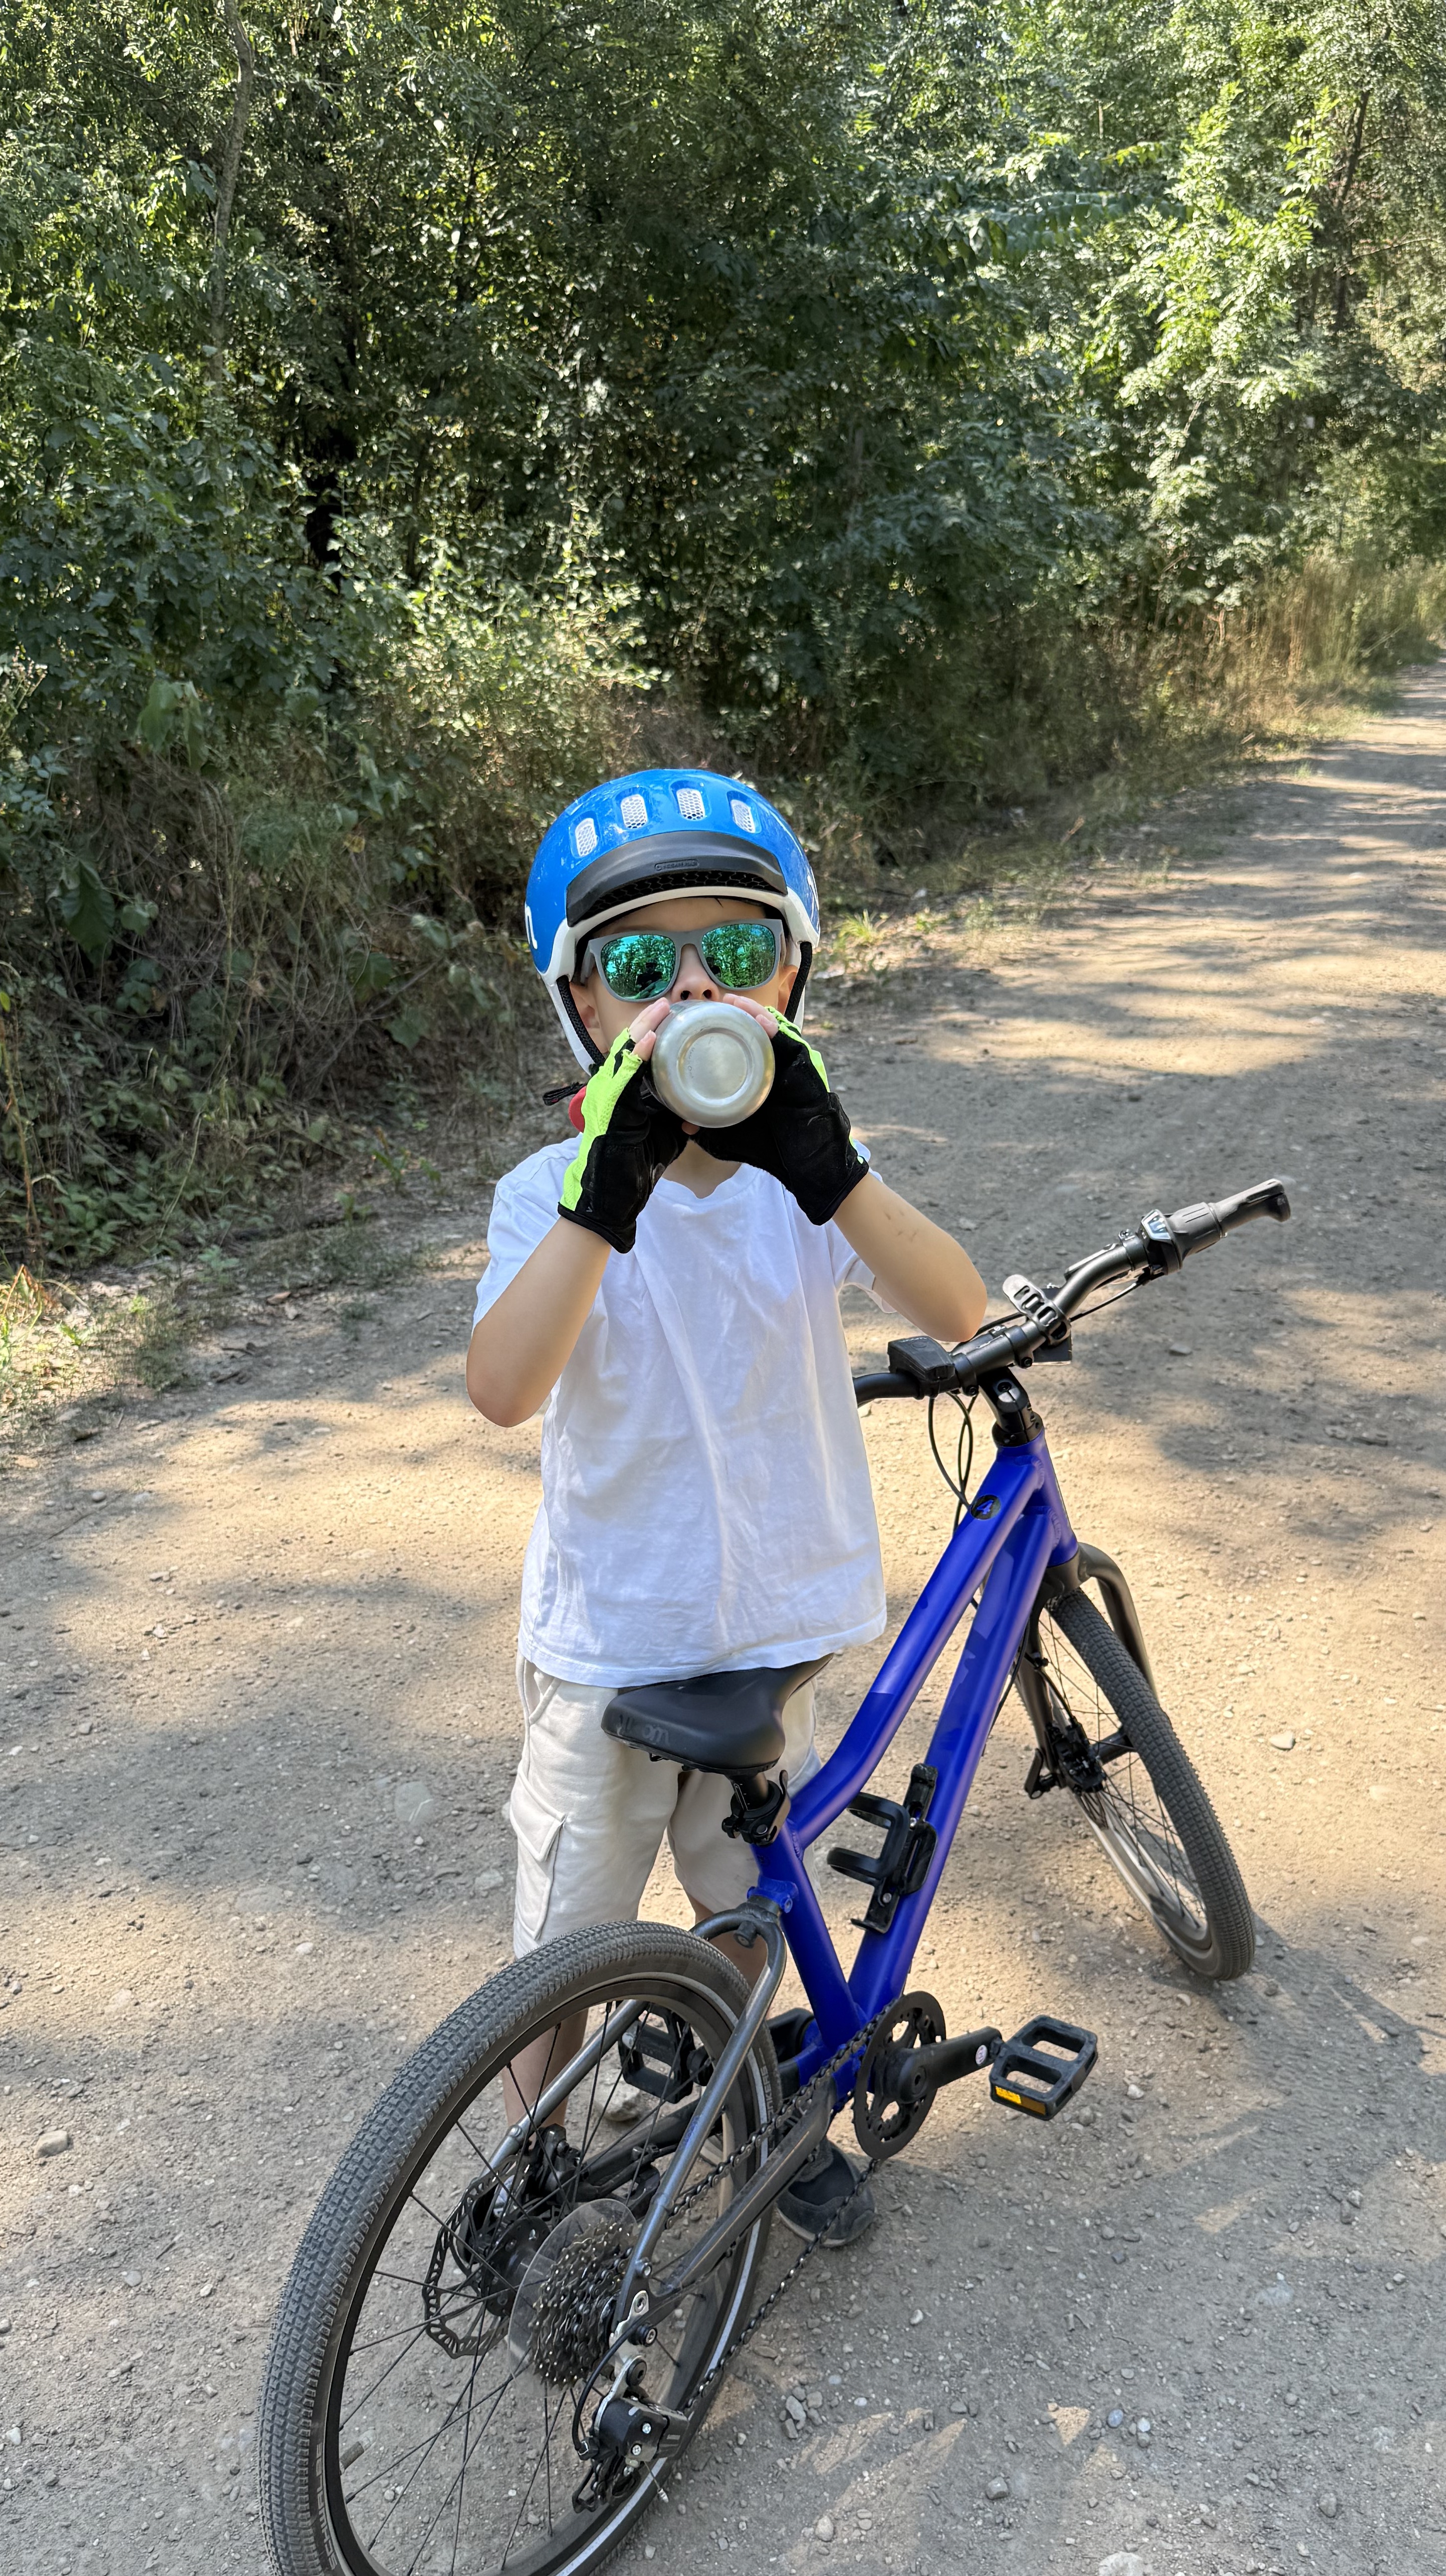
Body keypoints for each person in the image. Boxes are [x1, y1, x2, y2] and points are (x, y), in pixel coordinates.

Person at [467, 767, 987, 2242]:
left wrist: (831, 1172)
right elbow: (503, 1388)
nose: (689, 989)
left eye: (734, 957)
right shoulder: (545, 1191)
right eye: (640, 968)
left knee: (751, 1900)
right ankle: (530, 2161)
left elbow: (959, 1307)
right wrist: (598, 1195)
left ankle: (762, 2101)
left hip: (768, 1630)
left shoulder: (800, 1182)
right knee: (563, 1935)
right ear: (577, 1006)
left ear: (795, 976)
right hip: (613, 1647)